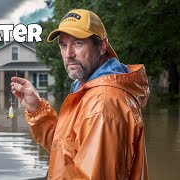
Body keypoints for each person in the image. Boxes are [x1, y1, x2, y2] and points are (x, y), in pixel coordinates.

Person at [11, 9, 149, 179]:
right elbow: (65, 149)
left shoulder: (102, 105)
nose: (69, 54)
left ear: (102, 47)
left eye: (78, 43)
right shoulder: (87, 90)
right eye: (63, 45)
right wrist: (37, 109)